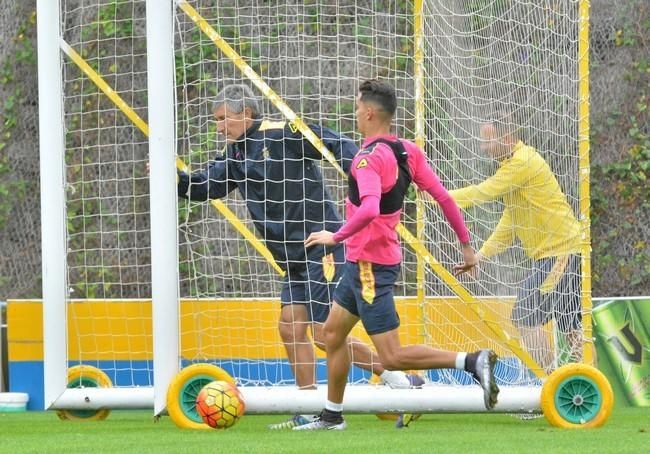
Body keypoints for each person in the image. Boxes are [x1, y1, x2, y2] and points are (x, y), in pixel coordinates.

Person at [176, 84, 418, 430]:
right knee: (290, 327)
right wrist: (173, 180)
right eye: (216, 121)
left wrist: (367, 177)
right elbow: (204, 187)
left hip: (322, 246)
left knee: (323, 336)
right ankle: (307, 406)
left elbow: (337, 144)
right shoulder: (234, 155)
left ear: (246, 113)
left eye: (223, 119)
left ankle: (399, 381)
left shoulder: (284, 131)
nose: (219, 127)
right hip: (291, 258)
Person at [298, 79, 499, 430]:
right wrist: (466, 245)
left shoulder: (366, 159)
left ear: (371, 113)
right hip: (365, 263)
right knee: (331, 334)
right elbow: (444, 198)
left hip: (369, 267)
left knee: (390, 356)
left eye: (358, 108)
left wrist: (336, 236)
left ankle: (470, 360)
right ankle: (332, 415)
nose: (356, 113)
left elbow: (370, 208)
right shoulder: (406, 150)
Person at [446, 111, 583, 373]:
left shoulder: (522, 162)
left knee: (524, 315)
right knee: (570, 325)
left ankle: (552, 381)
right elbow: (510, 223)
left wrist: (437, 195)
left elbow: (481, 193)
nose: (483, 147)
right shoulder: (513, 167)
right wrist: (481, 255)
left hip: (562, 253)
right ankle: (588, 389)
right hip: (561, 253)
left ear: (507, 138)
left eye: (488, 141)